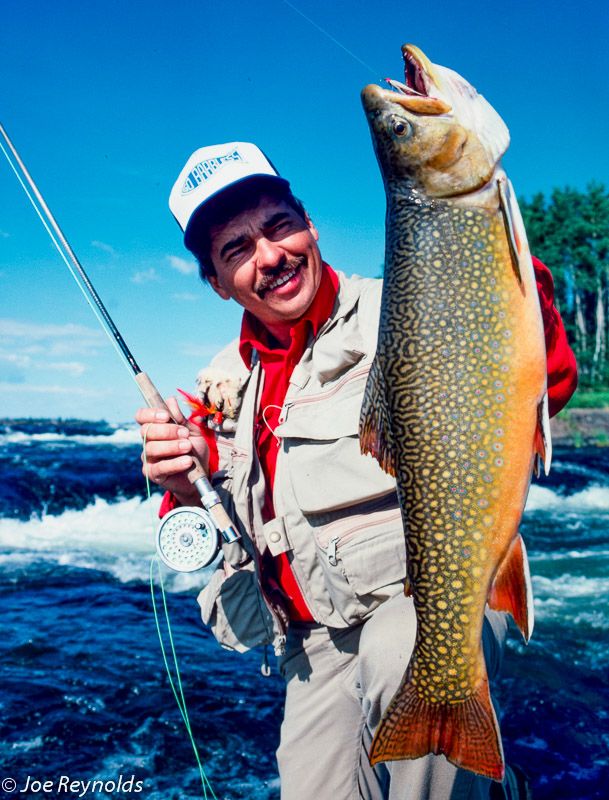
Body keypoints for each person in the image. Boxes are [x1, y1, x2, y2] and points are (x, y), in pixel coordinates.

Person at [135, 142, 578, 800]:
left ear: (309, 223)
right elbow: (208, 524)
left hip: (422, 603)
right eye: (236, 249)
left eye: (279, 225)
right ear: (216, 282)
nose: (270, 255)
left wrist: (486, 246)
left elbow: (543, 377)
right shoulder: (222, 384)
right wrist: (182, 484)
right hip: (309, 649)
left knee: (412, 670)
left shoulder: (406, 309)